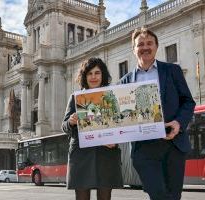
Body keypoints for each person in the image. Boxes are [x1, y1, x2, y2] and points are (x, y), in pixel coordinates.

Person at [120, 27, 196, 200]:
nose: (145, 47)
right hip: (144, 150)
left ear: (156, 46)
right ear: (134, 49)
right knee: (158, 194)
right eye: (140, 44)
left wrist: (178, 123)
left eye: (149, 43)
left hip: (173, 144)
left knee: (173, 196)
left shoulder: (172, 70)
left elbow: (188, 102)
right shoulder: (124, 81)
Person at [62, 57, 123, 200]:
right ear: (84, 76)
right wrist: (71, 121)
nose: (94, 77)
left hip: (106, 155)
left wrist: (116, 140)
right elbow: (64, 127)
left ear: (103, 75)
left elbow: (120, 123)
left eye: (97, 73)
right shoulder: (75, 97)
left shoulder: (112, 96)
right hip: (81, 156)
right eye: (90, 73)